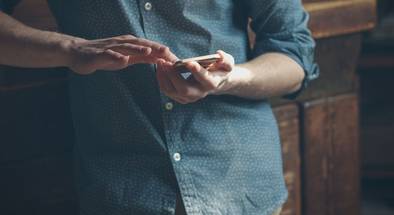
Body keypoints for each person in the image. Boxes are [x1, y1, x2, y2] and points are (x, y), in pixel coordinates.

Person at [0, 0, 318, 214]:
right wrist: (72, 49)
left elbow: (293, 53)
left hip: (238, 180)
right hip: (121, 189)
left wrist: (230, 78)